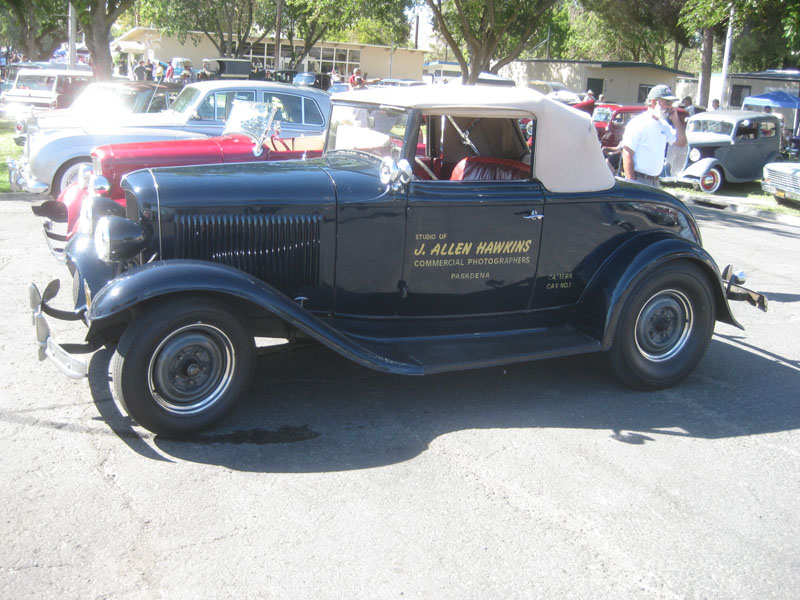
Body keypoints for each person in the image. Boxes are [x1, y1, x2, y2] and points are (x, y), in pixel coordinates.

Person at [621, 84, 687, 187]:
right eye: (667, 102)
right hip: (639, 180)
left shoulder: (664, 125)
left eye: (671, 103)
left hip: (655, 181)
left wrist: (676, 120)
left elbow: (682, 142)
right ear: (653, 102)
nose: (670, 107)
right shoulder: (638, 123)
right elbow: (627, 153)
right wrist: (632, 184)